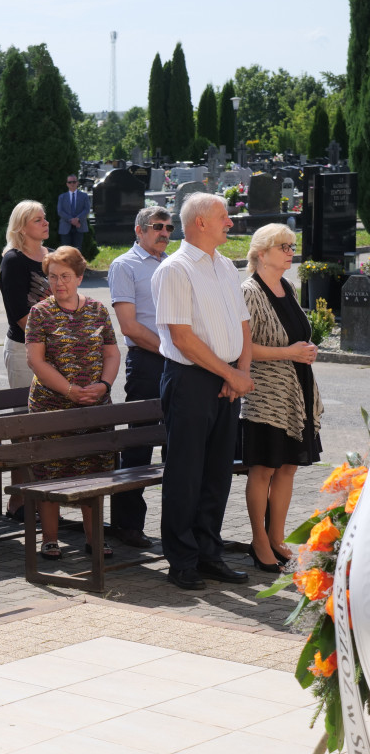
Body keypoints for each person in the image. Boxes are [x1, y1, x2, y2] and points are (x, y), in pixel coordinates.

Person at [151, 193, 254, 591]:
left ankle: (210, 553)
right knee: (186, 472)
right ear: (201, 223)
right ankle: (182, 559)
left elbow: (242, 325)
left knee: (217, 473)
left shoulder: (226, 265)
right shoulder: (175, 270)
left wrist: (239, 373)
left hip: (227, 380)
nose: (230, 222)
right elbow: (182, 338)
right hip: (190, 380)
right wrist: (231, 372)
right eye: (224, 217)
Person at [25, 246, 120, 559]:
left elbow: (111, 352)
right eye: (52, 276)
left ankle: (95, 538)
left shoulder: (97, 309)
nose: (58, 282)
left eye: (65, 276)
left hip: (94, 406)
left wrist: (103, 385)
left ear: (80, 277)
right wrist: (69, 390)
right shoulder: (40, 313)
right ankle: (49, 538)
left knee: (94, 470)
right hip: (52, 407)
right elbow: (36, 361)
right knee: (50, 471)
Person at [241, 224, 322, 572]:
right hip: (266, 396)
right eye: (284, 246)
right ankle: (258, 540)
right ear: (262, 253)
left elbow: (296, 334)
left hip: (297, 390)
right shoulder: (248, 291)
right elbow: (243, 349)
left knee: (288, 466)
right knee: (263, 468)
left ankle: (277, 537)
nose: (291, 251)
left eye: (292, 246)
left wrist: (306, 349)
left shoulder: (286, 286)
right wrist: (289, 352)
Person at [105, 206, 172, 549]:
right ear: (139, 230)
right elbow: (129, 326)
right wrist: (173, 351)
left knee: (175, 445)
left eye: (169, 227)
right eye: (157, 227)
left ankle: (175, 528)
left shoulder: (172, 264)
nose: (164, 232)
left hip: (181, 362)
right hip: (148, 362)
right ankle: (127, 525)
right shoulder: (124, 266)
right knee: (139, 445)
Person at [0, 200, 51, 521]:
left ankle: (45, 496)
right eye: (37, 219)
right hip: (24, 351)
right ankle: (18, 499)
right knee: (24, 426)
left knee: (47, 428)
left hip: (55, 350)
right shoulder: (13, 261)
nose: (45, 223)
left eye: (45, 218)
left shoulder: (52, 256)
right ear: (21, 227)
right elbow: (19, 314)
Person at [56, 174, 90, 250]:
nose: (72, 184)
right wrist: (72, 220)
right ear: (67, 184)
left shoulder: (84, 196)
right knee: (66, 251)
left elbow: (86, 209)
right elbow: (60, 211)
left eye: (74, 182)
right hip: (65, 226)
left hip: (79, 226)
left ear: (77, 183)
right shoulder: (62, 197)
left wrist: (77, 219)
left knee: (77, 251)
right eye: (70, 182)